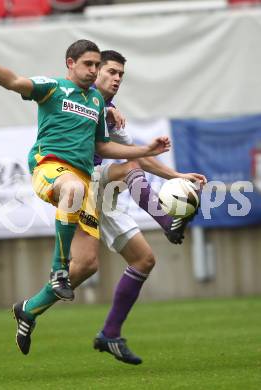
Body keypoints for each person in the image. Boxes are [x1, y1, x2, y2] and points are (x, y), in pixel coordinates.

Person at [0, 40, 171, 356]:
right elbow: (13, 81)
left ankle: (29, 309)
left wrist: (146, 150)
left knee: (86, 264)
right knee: (71, 189)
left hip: (83, 182)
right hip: (51, 168)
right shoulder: (52, 87)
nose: (94, 70)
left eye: (97, 65)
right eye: (89, 64)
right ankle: (57, 269)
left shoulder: (97, 102)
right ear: (70, 63)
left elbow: (102, 148)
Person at [68, 50, 207, 365]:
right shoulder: (78, 101)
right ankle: (168, 221)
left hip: (100, 188)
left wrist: (178, 175)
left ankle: (107, 334)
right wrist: (103, 112)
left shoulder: (109, 109)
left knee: (143, 260)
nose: (117, 79)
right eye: (111, 72)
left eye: (121, 75)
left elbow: (139, 154)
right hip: (75, 184)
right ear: (92, 71)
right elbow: (129, 157)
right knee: (129, 168)